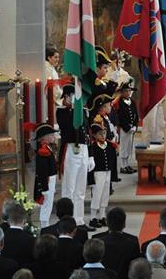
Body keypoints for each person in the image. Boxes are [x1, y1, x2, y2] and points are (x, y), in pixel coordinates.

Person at [58, 85, 95, 231]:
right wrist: (75, 111)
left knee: (80, 189)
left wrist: (91, 155)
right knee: (69, 188)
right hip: (71, 149)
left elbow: (88, 133)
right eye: (73, 96)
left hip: (83, 149)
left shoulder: (83, 111)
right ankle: (68, 221)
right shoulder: (62, 112)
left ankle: (79, 220)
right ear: (66, 97)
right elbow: (67, 128)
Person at [92, 207, 140, 279]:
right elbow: (136, 267)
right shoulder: (133, 241)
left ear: (107, 223)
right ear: (124, 224)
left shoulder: (96, 239)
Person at [88, 123, 118, 229]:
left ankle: (102, 216)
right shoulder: (93, 146)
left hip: (107, 172)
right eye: (100, 134)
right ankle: (92, 217)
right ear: (95, 135)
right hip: (98, 173)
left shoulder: (109, 145)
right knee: (97, 194)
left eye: (104, 133)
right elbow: (90, 166)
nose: (103, 136)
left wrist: (113, 175)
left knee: (105, 194)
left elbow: (113, 161)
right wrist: (91, 180)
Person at [33, 123, 58, 228]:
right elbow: (42, 172)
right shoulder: (43, 151)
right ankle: (44, 225)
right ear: (45, 137)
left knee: (49, 204)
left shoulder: (47, 148)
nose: (54, 137)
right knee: (46, 204)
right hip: (47, 181)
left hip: (51, 180)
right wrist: (44, 188)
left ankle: (46, 223)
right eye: (51, 135)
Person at [113, 82, 138, 174]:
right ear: (122, 92)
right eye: (126, 91)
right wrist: (127, 127)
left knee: (129, 147)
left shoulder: (133, 102)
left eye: (129, 91)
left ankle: (127, 164)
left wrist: (135, 125)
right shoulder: (119, 103)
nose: (128, 93)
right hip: (124, 129)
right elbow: (120, 117)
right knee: (123, 147)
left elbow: (136, 115)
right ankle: (123, 166)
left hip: (132, 128)